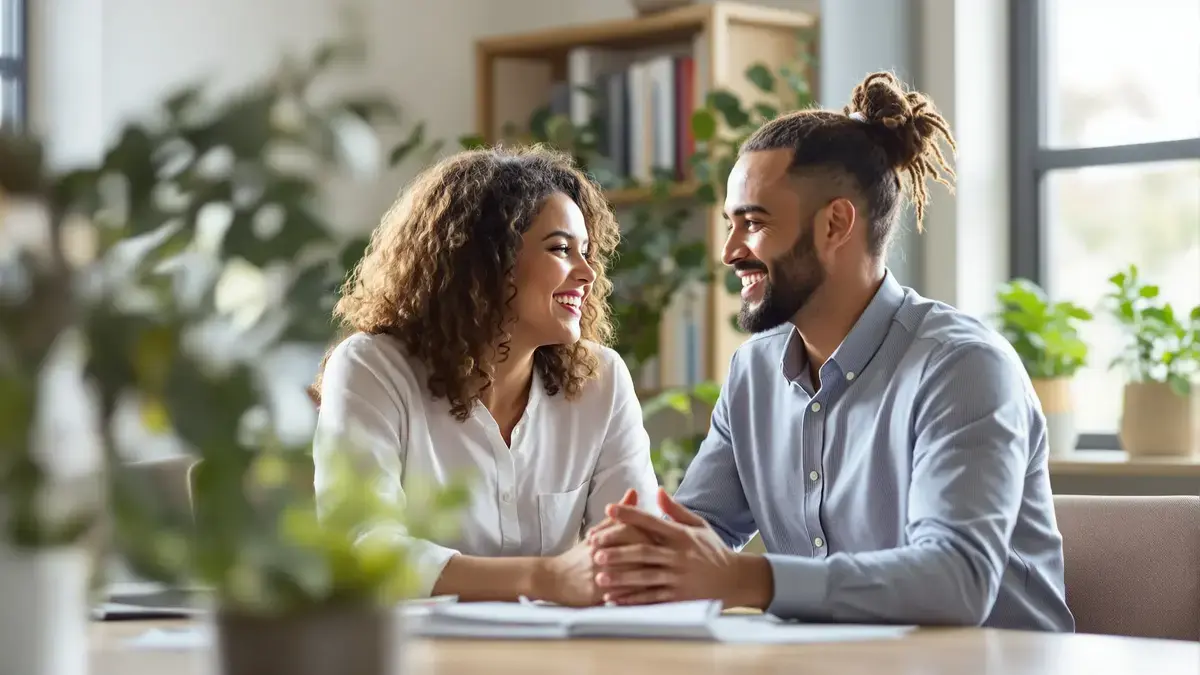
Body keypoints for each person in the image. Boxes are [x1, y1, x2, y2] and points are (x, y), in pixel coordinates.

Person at [587, 71, 1075, 632]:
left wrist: (746, 579)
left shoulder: (961, 367)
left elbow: (957, 581)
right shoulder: (755, 373)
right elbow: (699, 528)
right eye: (730, 224)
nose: (728, 251)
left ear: (835, 223)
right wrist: (638, 553)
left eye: (753, 222)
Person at [311, 145, 660, 606]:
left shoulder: (603, 379)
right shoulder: (371, 368)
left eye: (587, 252)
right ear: (485, 260)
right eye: (560, 249)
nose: (587, 274)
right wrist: (541, 578)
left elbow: (635, 549)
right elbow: (362, 547)